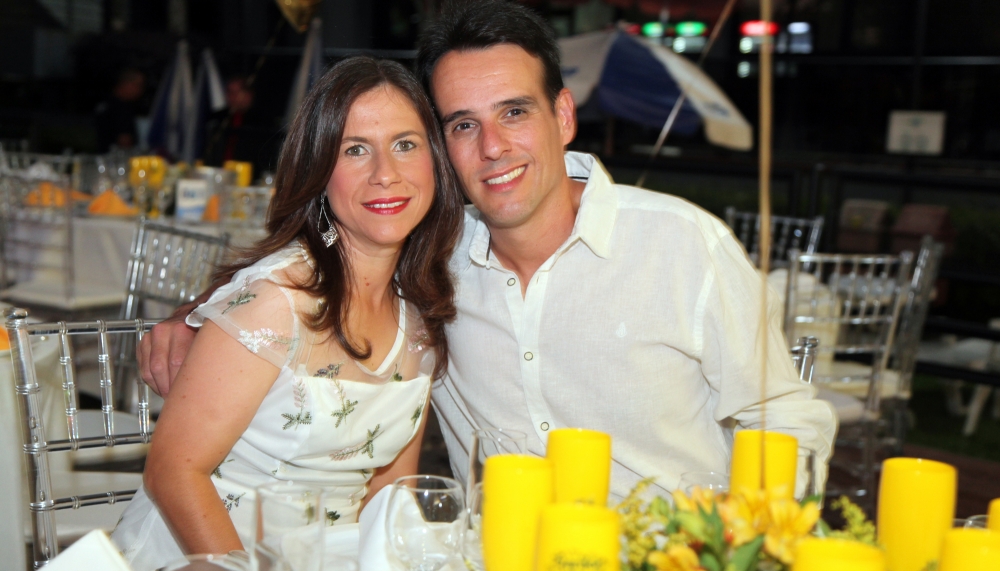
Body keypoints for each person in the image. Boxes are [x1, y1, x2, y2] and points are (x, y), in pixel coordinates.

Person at [138, 1, 837, 503]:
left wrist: (742, 543)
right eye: (463, 125)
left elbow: (787, 420)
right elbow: (315, 264)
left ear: (563, 116)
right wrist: (196, 317)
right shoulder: (428, 263)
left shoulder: (681, 247)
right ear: (441, 146)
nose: (494, 147)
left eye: (514, 112)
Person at [111, 56, 463, 571]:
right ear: (318, 171)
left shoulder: (417, 318)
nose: (385, 173)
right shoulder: (275, 304)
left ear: (436, 161)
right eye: (355, 149)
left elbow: (390, 491)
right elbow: (174, 472)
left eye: (405, 145)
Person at [95, 68, 145, 151]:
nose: (140, 90)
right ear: (127, 84)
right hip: (115, 156)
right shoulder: (119, 108)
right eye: (138, 85)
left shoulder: (107, 103)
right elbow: (124, 141)